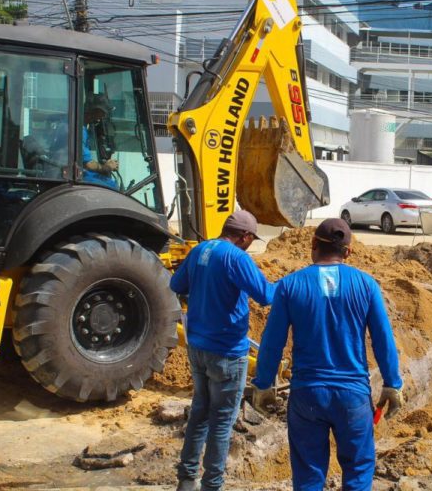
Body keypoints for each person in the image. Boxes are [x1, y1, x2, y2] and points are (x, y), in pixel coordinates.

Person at [251, 218, 404, 491]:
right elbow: (383, 339)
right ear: (347, 252)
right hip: (353, 398)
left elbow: (272, 342)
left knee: (309, 475)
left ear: (313, 246)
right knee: (358, 472)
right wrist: (392, 383)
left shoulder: (289, 286)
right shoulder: (366, 285)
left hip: (308, 395)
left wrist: (263, 384)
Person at [170, 210, 276, 491]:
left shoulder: (201, 249)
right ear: (244, 236)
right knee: (221, 422)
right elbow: (265, 296)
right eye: (251, 239)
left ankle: (186, 480)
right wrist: (289, 285)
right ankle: (212, 485)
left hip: (198, 348)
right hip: (227, 352)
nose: (251, 244)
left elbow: (176, 284)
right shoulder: (237, 257)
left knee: (199, 413)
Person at [82, 94, 118, 189]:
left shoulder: (84, 128)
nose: (103, 117)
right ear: (96, 111)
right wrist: (106, 167)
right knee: (111, 186)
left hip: (80, 172)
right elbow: (88, 164)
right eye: (103, 113)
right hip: (77, 175)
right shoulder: (79, 131)